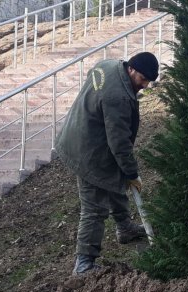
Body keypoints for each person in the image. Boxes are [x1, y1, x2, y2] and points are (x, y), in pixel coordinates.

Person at [55, 52, 159, 275]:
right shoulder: (118, 98)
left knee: (115, 179)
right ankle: (83, 264)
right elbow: (119, 143)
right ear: (131, 69)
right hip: (87, 152)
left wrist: (125, 174)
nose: (144, 86)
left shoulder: (109, 65)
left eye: (148, 82)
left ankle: (125, 228)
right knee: (94, 208)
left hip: (82, 132)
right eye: (142, 80)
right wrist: (132, 173)